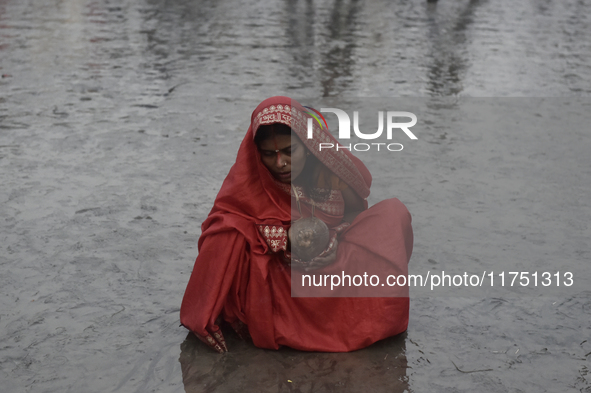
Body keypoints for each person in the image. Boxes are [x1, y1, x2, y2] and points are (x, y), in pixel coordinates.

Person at [180, 96, 413, 353]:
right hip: (285, 281)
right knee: (226, 236)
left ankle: (364, 316)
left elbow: (355, 214)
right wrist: (279, 240)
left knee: (393, 214)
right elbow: (224, 227)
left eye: (290, 151)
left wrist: (335, 239)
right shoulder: (250, 183)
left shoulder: (330, 173)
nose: (280, 163)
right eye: (269, 154)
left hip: (334, 265)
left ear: (308, 145)